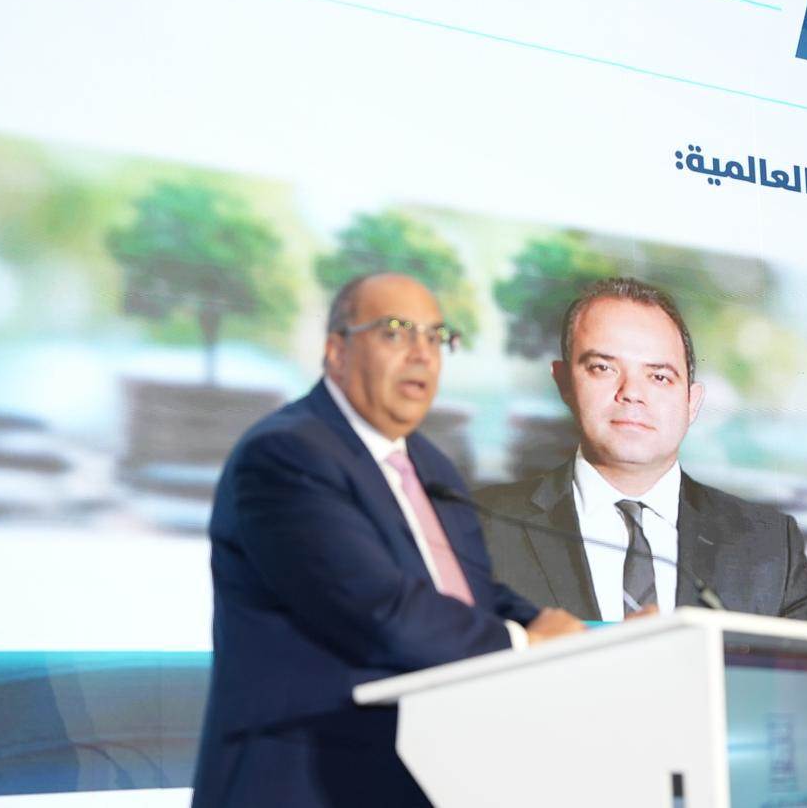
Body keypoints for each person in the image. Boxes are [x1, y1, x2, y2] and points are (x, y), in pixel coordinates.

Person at [191, 272, 584, 808]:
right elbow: (377, 609)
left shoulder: (431, 464)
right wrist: (523, 644)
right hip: (304, 780)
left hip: (427, 774)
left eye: (436, 337)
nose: (422, 354)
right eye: (396, 332)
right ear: (337, 351)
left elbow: (472, 595)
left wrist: (574, 639)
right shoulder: (286, 455)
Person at [475, 277, 807, 622]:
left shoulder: (769, 545)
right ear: (564, 382)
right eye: (603, 368)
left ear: (692, 402)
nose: (631, 392)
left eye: (659, 377)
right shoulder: (480, 525)